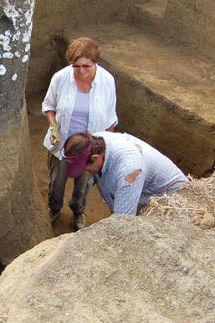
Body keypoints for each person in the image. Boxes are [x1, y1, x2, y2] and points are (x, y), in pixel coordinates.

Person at [42, 37, 117, 230]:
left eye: (87, 66)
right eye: (76, 66)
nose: (82, 71)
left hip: (90, 147)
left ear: (95, 62)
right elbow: (49, 105)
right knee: (57, 182)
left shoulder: (107, 81)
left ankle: (78, 211)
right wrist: (53, 126)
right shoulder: (60, 78)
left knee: (84, 183)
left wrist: (104, 149)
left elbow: (110, 119)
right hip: (62, 144)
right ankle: (54, 208)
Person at [63, 131, 189, 215]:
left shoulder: (128, 173)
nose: (85, 171)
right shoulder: (96, 140)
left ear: (96, 158)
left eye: (85, 167)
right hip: (143, 192)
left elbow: (123, 223)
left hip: (174, 201)